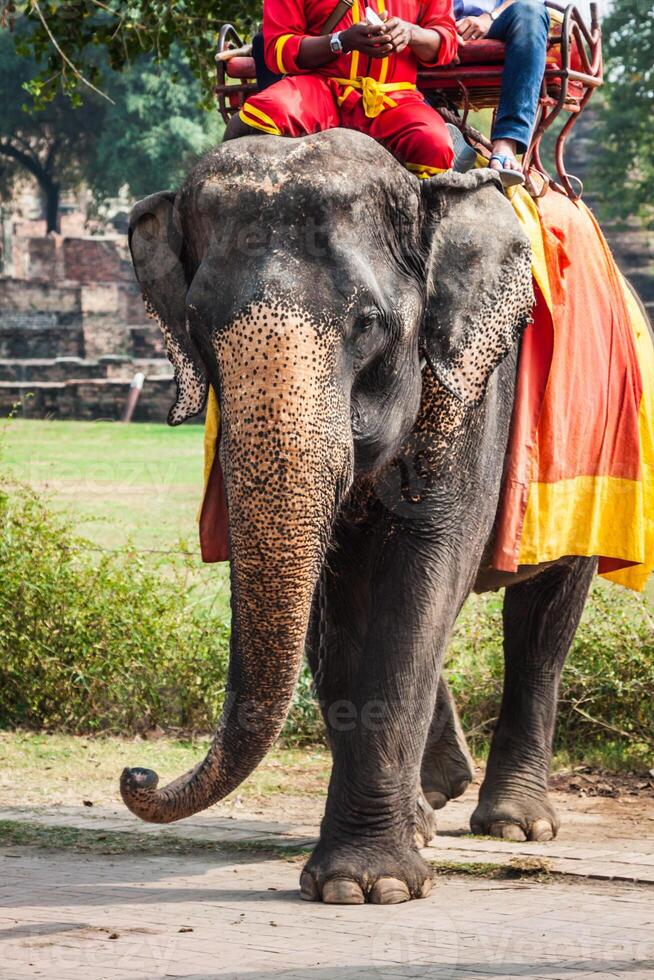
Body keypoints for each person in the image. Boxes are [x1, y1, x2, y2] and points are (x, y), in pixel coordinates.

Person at [226, 1, 460, 180]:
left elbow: (447, 41)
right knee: (264, 113)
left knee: (433, 144)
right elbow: (277, 50)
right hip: (320, 88)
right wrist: (341, 41)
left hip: (395, 98)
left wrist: (411, 33)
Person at [455, 0, 550, 183]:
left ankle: (506, 143)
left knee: (530, 9)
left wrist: (489, 18)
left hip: (496, 23)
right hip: (431, 25)